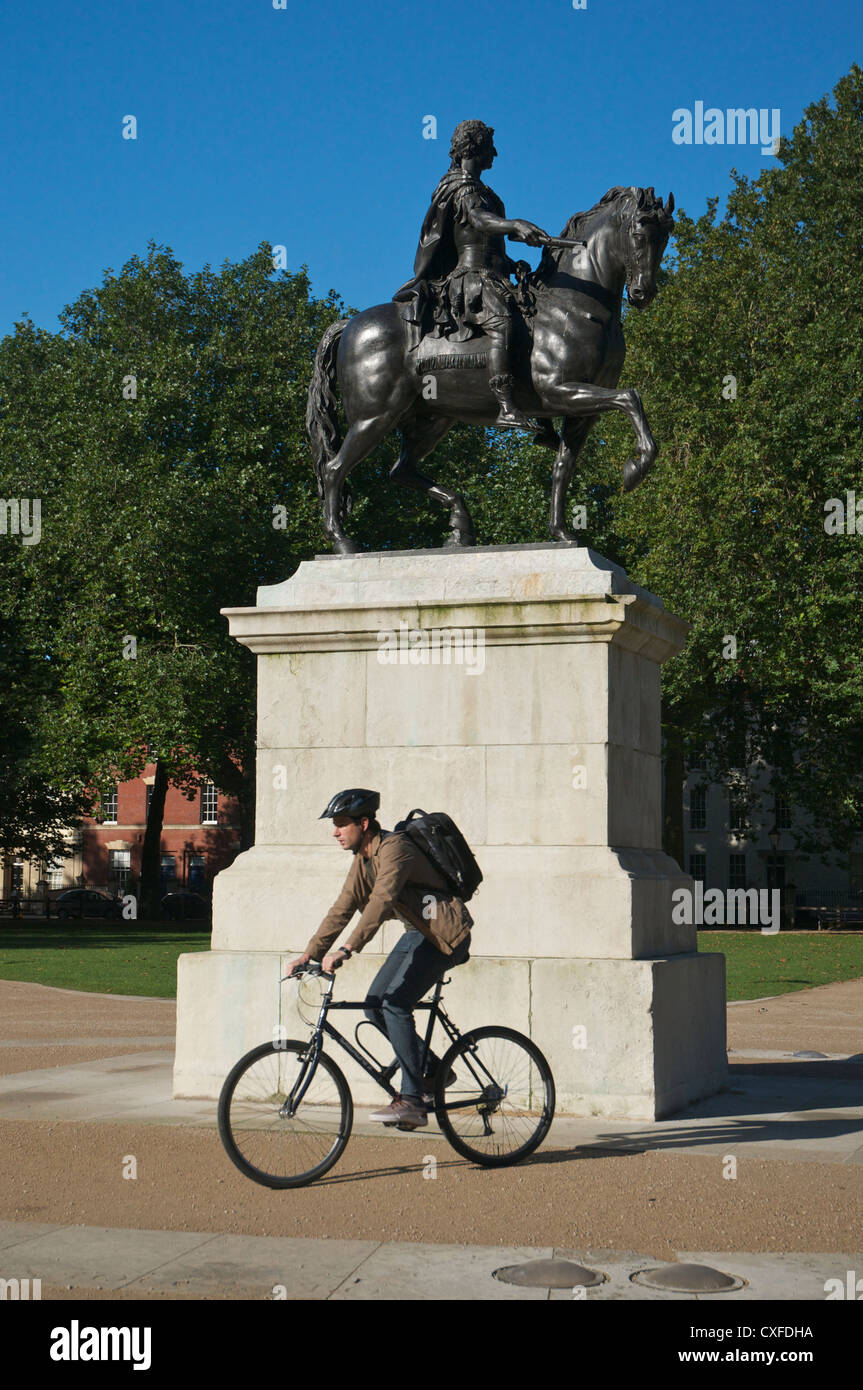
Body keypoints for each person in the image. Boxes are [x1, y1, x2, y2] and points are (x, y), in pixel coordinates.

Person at [286, 788, 473, 1129]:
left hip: (446, 936)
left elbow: (381, 901)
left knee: (396, 1003)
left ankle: (412, 1101)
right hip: (419, 933)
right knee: (374, 1004)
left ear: (365, 822)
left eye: (342, 824)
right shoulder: (363, 860)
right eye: (335, 825)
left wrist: (347, 949)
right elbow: (342, 907)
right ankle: (431, 1070)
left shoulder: (395, 849)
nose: (335, 831)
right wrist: (309, 953)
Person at [393, 118, 558, 445]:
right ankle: (506, 406)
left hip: (495, 274)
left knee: (536, 323)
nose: (494, 154)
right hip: (471, 278)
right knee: (504, 324)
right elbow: (479, 222)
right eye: (489, 148)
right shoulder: (460, 187)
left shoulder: (486, 192)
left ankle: (544, 414)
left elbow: (489, 244)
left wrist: (513, 262)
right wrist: (514, 225)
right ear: (475, 148)